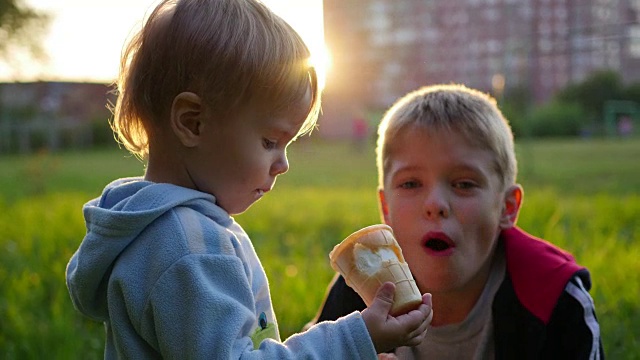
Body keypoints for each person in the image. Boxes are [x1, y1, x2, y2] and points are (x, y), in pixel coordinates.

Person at [65, 0, 433, 358]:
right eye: (270, 141)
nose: (282, 164)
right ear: (193, 123)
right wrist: (355, 341)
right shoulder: (190, 248)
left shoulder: (160, 230)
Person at [308, 84, 604, 359]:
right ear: (385, 207)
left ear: (507, 207)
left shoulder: (553, 299)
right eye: (411, 184)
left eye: (464, 184)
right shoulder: (361, 289)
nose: (435, 204)